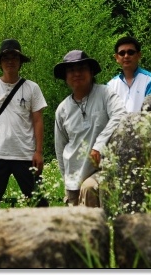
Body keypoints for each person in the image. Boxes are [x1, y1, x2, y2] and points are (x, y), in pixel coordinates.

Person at [0, 39, 48, 209]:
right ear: (0, 62)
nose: (10, 62)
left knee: (40, 205)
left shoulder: (32, 88)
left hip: (26, 154)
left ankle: (47, 235)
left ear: (20, 62)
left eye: (14, 58)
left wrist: (38, 151)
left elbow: (38, 121)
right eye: (6, 58)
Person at [53, 49, 127, 208]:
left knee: (89, 189)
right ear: (65, 77)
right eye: (71, 70)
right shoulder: (63, 109)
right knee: (76, 226)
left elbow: (120, 114)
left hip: (102, 168)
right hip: (74, 176)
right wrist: (65, 178)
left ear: (91, 72)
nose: (76, 74)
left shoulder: (105, 93)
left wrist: (99, 145)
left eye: (81, 68)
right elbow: (60, 147)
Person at [106, 36, 151, 112]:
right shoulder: (111, 86)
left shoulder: (150, 81)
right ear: (117, 57)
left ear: (139, 55)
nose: (126, 56)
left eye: (130, 52)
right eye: (122, 53)